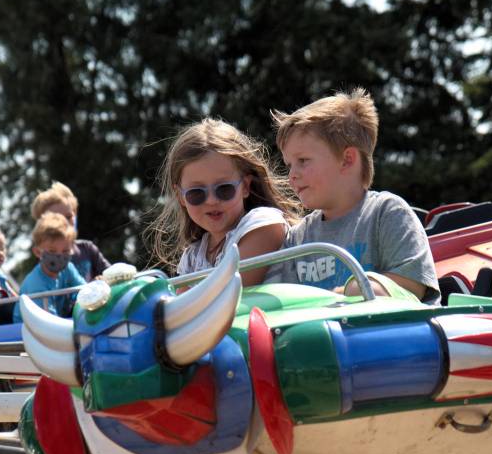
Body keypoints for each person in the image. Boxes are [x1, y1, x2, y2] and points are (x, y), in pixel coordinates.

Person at [270, 88, 439, 302]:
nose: (292, 175)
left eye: (303, 161)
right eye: (289, 165)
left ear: (347, 159)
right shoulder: (298, 238)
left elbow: (411, 286)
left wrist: (342, 296)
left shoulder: (387, 214)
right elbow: (284, 301)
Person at [146, 118, 300, 286]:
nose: (212, 200)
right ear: (181, 196)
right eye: (196, 193)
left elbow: (227, 292)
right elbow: (184, 309)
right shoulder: (192, 257)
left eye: (224, 189)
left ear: (245, 187)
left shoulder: (264, 225)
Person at [30, 182, 112, 282]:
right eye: (56, 219)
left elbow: (111, 274)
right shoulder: (45, 261)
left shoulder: (87, 248)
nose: (64, 222)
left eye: (68, 216)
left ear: (76, 216)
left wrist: (103, 280)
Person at [12, 213, 86, 323]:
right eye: (52, 251)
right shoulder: (36, 285)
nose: (60, 256)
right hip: (27, 334)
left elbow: (85, 290)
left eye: (65, 251)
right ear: (38, 252)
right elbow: (50, 323)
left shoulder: (68, 268)